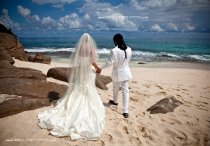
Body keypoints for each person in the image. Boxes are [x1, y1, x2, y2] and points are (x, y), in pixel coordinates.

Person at [38, 33, 105, 140]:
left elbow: (77, 60)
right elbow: (92, 61)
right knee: (88, 88)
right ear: (89, 40)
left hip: (80, 70)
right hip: (88, 71)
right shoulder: (90, 47)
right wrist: (97, 68)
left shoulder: (79, 48)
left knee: (78, 87)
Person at [100, 33, 132, 118]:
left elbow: (109, 63)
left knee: (115, 88)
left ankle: (115, 101)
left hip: (117, 73)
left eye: (114, 41)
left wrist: (100, 67)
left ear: (116, 41)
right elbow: (127, 61)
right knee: (125, 91)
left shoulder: (114, 50)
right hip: (126, 72)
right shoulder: (129, 49)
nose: (113, 43)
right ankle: (125, 111)